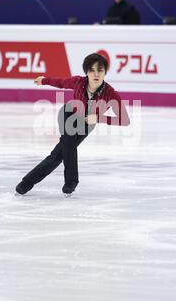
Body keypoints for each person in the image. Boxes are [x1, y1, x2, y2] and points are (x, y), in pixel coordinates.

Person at [15, 53, 130, 196]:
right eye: (92, 70)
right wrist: (44, 80)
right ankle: (71, 182)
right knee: (68, 146)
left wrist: (99, 117)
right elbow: (61, 82)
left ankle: (26, 183)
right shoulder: (78, 82)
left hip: (87, 124)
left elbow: (125, 120)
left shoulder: (111, 93)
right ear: (86, 72)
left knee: (58, 155)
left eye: (99, 70)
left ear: (105, 72)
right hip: (68, 114)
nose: (96, 74)